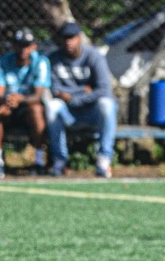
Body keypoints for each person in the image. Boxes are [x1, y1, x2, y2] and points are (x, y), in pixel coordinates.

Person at [47, 20, 118, 178]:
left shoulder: (94, 56)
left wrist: (73, 97)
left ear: (79, 38)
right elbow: (54, 89)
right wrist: (83, 90)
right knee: (52, 107)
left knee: (107, 104)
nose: (68, 42)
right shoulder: (53, 59)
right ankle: (59, 160)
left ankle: (104, 160)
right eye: (65, 38)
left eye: (72, 37)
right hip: (68, 112)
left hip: (91, 111)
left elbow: (104, 89)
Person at [0, 27, 51, 178]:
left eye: (27, 45)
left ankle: (39, 161)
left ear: (33, 46)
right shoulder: (1, 63)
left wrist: (20, 98)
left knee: (36, 109)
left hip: (28, 108)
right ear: (13, 46)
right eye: (20, 45)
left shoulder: (41, 62)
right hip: (8, 107)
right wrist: (8, 101)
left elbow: (37, 95)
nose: (23, 49)